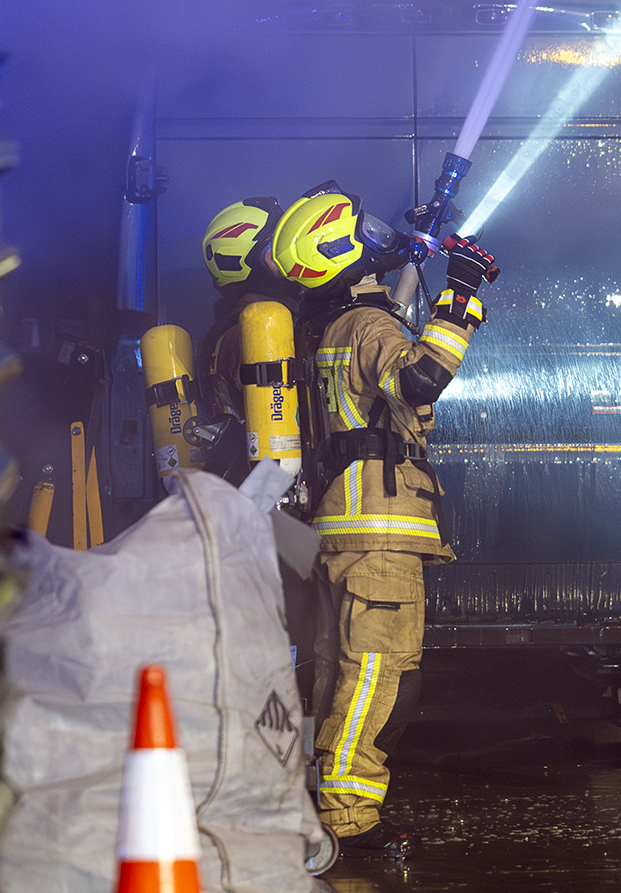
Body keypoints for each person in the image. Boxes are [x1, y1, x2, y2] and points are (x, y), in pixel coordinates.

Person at [268, 184, 498, 854]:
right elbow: (418, 379)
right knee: (381, 674)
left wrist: (418, 254)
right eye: (363, 227)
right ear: (340, 247)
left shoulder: (333, 326)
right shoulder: (367, 327)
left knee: (339, 672)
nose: (376, 233)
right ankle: (345, 818)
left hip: (341, 531)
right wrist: (461, 293)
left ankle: (318, 806)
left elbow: (386, 348)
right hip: (378, 532)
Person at [195, 197, 295, 477]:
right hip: (270, 483)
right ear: (239, 261)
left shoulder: (230, 327)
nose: (291, 257)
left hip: (252, 479)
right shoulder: (255, 330)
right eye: (275, 251)